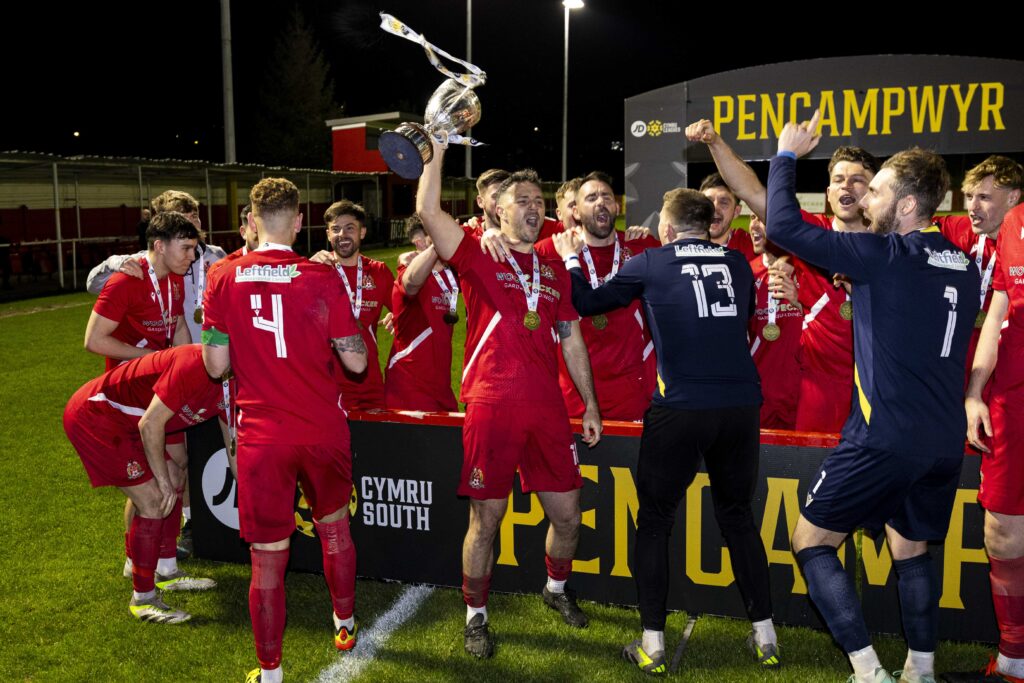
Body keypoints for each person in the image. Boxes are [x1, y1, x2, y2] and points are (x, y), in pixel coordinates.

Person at [769, 112, 979, 683]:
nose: (865, 203)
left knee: (811, 541)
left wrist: (787, 156)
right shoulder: (960, 264)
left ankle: (869, 672)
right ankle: (921, 670)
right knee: (911, 551)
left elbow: (782, 226)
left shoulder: (883, 257)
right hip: (942, 443)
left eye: (878, 192)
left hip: (883, 437)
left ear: (908, 204)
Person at [552, 187, 777, 674]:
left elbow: (587, 302)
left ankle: (653, 643)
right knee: (738, 517)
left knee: (654, 520)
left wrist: (571, 259)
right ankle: (766, 635)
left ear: (669, 229)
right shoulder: (737, 264)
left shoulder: (652, 262)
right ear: (709, 223)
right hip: (740, 404)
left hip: (680, 406)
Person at [417, 139, 602, 658]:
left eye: (538, 200)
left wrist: (588, 402)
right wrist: (434, 153)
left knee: (567, 514)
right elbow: (428, 211)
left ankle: (556, 589)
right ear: (497, 208)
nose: (533, 206)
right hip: (490, 404)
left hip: (547, 409)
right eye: (521, 199)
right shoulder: (478, 253)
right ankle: (476, 615)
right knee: (487, 519)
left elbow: (571, 337)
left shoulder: (551, 270)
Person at [202, 177, 367, 683]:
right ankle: (344, 624)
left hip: (263, 438)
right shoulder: (322, 278)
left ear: (251, 222)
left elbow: (214, 365)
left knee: (268, 557)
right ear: (299, 222)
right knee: (333, 527)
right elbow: (357, 363)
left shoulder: (223, 278)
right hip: (321, 429)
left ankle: (270, 672)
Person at [687, 120, 880, 433]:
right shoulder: (808, 234)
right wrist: (715, 142)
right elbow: (750, 191)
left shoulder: (892, 246)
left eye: (858, 180)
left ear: (874, 191)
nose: (847, 186)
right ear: (828, 193)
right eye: (839, 180)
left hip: (878, 389)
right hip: (821, 391)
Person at [62, 345, 227, 624]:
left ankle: (166, 570)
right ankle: (143, 598)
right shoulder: (193, 364)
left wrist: (250, 489)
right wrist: (160, 481)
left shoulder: (232, 382)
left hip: (129, 421)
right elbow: (150, 425)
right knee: (153, 499)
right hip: (97, 415)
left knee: (176, 477)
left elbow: (231, 443)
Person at [945, 200, 1024, 683]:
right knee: (1002, 531)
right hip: (1011, 402)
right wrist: (975, 391)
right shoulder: (1015, 223)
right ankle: (1014, 662)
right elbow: (997, 312)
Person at [535, 171, 660, 421]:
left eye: (606, 196)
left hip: (633, 391)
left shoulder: (642, 248)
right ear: (576, 212)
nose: (600, 202)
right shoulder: (551, 250)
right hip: (574, 392)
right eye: (591, 197)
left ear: (616, 207)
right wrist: (491, 232)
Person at [87, 190, 226, 344]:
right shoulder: (146, 262)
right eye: (182, 218)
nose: (191, 224)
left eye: (194, 216)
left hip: (213, 343)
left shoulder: (217, 255)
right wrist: (114, 262)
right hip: (177, 349)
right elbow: (92, 285)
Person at [935, 156, 1023, 385]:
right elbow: (911, 226)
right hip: (962, 363)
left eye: (984, 198)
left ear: (1013, 197)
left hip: (1008, 364)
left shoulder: (1018, 245)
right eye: (969, 197)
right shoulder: (960, 230)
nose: (972, 207)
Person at [84, 211, 197, 371]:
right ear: (160, 246)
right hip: (128, 379)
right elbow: (93, 341)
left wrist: (187, 363)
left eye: (193, 249)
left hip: (159, 372)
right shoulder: (125, 281)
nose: (192, 257)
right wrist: (153, 356)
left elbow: (177, 326)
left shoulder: (176, 276)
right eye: (186, 248)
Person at [310, 200, 394, 411]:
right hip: (330, 384)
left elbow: (406, 310)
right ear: (328, 234)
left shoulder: (379, 272)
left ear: (362, 232)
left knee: (375, 442)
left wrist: (397, 314)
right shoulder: (316, 271)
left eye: (350, 228)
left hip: (370, 381)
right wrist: (306, 273)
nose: (342, 235)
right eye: (335, 229)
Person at [385, 214, 460, 412]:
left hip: (441, 386)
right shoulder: (408, 270)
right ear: (419, 242)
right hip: (410, 385)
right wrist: (437, 244)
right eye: (438, 232)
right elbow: (410, 285)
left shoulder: (451, 274)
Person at [747, 215, 803, 430]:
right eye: (752, 217)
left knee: (801, 461)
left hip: (801, 390)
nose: (754, 224)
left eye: (762, 217)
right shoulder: (746, 272)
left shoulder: (808, 267)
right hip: (760, 392)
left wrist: (799, 301)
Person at [699, 172, 755, 260]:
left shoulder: (752, 248)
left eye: (723, 202)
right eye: (708, 202)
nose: (714, 208)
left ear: (736, 211)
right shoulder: (682, 247)